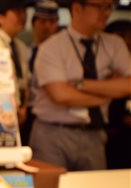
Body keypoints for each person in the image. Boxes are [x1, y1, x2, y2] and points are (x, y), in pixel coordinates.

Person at [31, 0, 131, 171]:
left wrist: (82, 84)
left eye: (109, 7)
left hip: (95, 134)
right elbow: (61, 95)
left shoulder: (114, 44)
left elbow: (128, 85)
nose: (106, 12)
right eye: (99, 6)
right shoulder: (51, 47)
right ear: (77, 8)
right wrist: (107, 93)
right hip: (53, 133)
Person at [23, 0, 59, 145]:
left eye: (51, 22)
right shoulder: (24, 51)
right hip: (26, 112)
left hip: (49, 114)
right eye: (42, 21)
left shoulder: (61, 55)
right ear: (34, 23)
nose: (47, 26)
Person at [104, 20, 131, 169]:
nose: (125, 41)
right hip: (106, 129)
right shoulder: (100, 64)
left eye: (128, 36)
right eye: (121, 36)